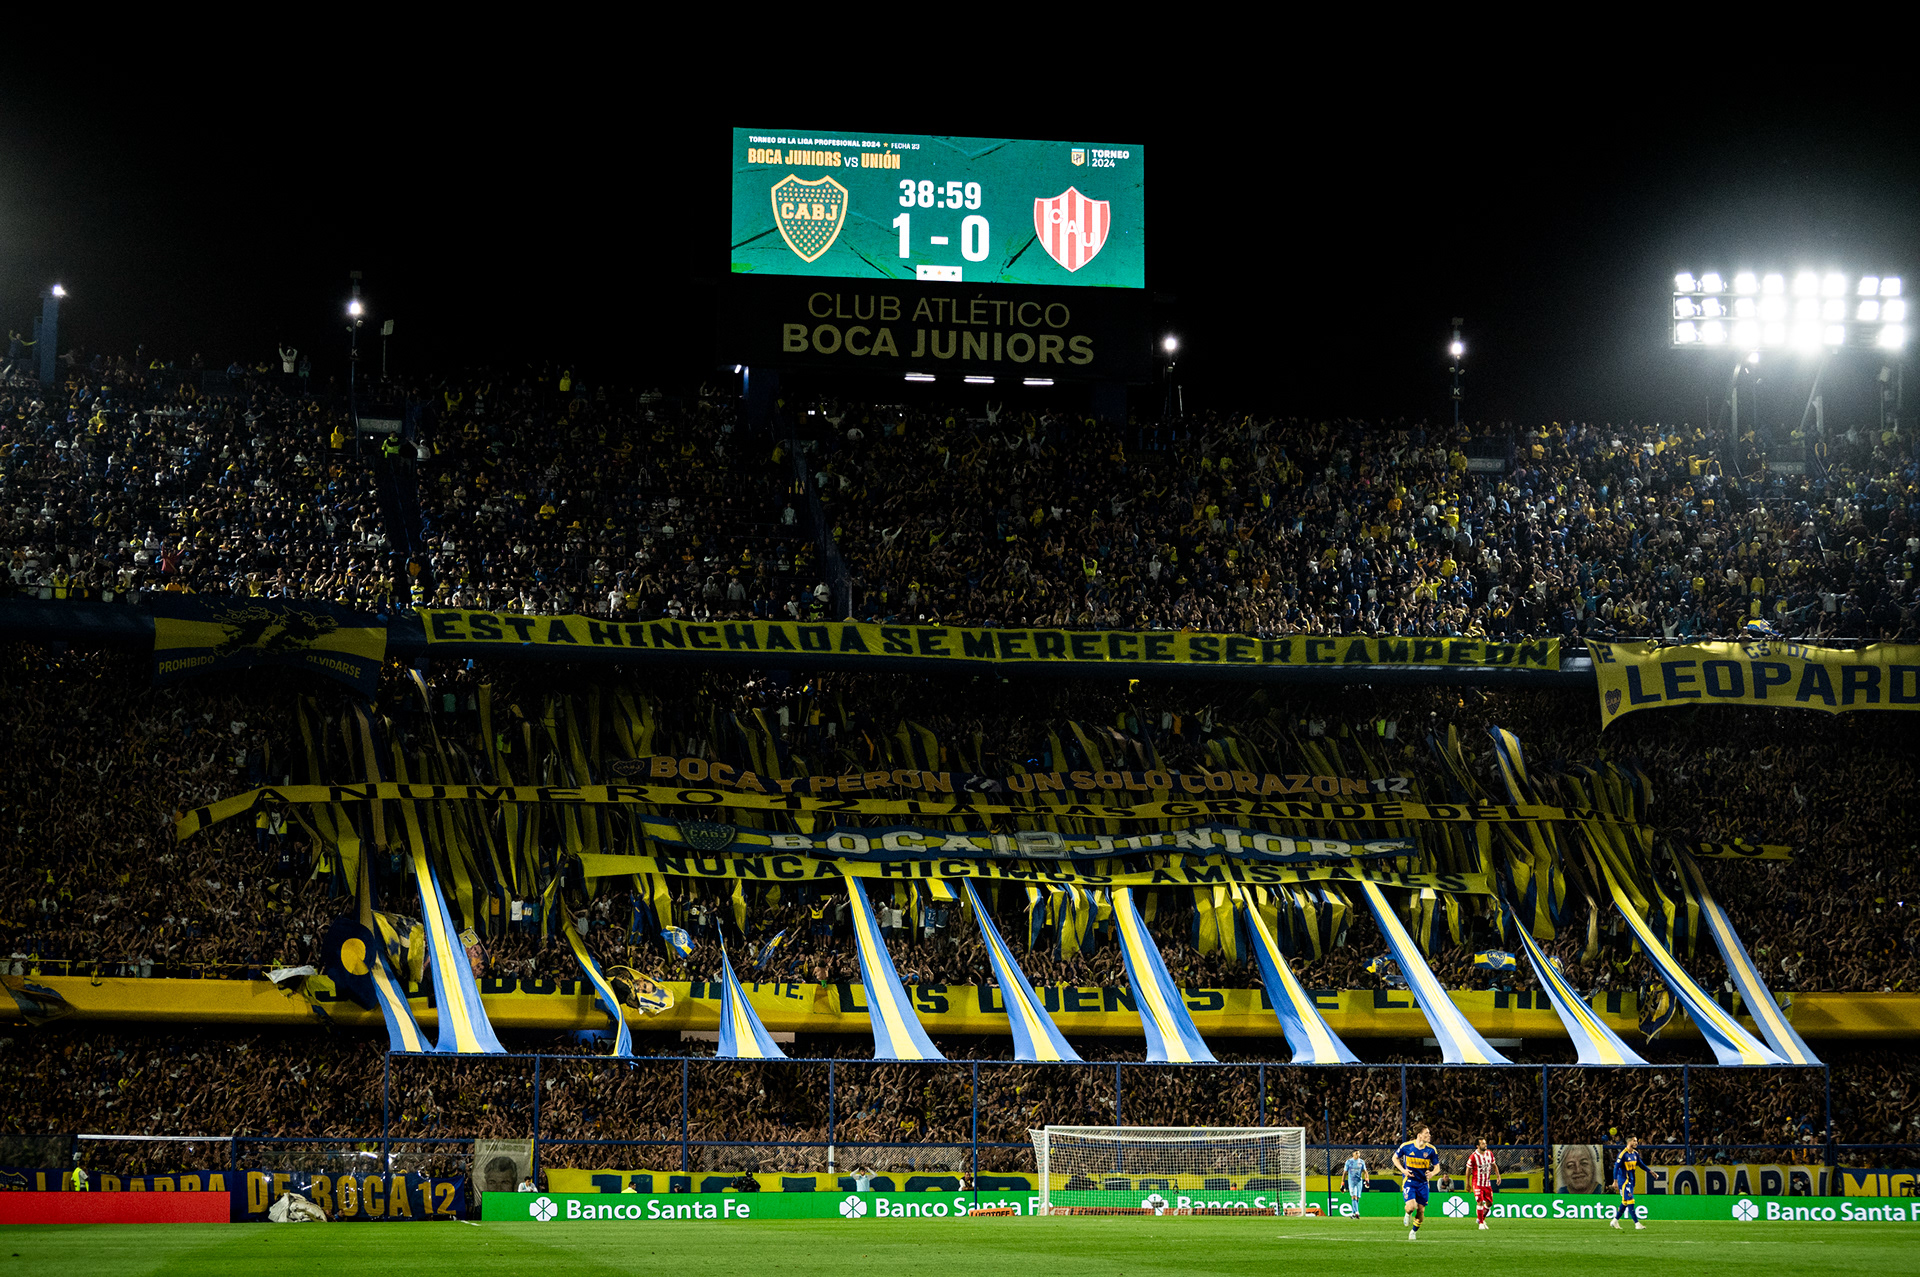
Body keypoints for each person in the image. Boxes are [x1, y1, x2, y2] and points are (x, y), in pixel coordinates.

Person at [1393, 1125, 1441, 1241]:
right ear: (1419, 1135)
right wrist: (1403, 1170)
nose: (1429, 1135)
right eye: (1426, 1133)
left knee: (1421, 1210)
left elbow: (1437, 1167)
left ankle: (1413, 1231)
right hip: (1409, 1181)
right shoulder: (1406, 1146)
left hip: (1423, 1183)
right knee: (1411, 1207)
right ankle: (1407, 1213)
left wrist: (1432, 1174)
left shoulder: (1431, 1150)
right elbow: (1394, 1158)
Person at [1609, 1136, 1645, 1231]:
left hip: (1631, 1181)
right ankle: (1637, 1224)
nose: (1636, 1142)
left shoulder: (1635, 1154)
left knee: (1625, 1202)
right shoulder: (1622, 1154)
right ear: (1629, 1142)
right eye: (1635, 1141)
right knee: (1630, 1201)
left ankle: (1615, 1220)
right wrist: (1615, 1181)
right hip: (1624, 1182)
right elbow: (1616, 1167)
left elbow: (1641, 1164)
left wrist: (1651, 1172)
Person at [1467, 1137, 1498, 1230]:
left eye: (1485, 1143)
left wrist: (1498, 1176)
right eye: (1483, 1144)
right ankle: (1481, 1223)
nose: (1485, 1145)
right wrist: (1467, 1183)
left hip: (1487, 1183)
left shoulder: (1489, 1153)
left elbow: (1494, 1165)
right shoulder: (1473, 1156)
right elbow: (1468, 1170)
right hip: (1477, 1182)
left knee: (1489, 1203)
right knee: (1479, 1201)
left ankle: (1481, 1218)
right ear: (1478, 1146)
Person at [1341, 1150, 1368, 1216]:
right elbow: (1345, 1173)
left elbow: (1365, 1171)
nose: (1358, 1154)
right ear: (1353, 1154)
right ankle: (1357, 1212)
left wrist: (1367, 1180)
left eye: (1358, 1153)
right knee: (1353, 1197)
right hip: (1352, 1182)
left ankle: (1353, 1213)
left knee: (1357, 1198)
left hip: (1359, 1182)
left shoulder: (1361, 1162)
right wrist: (1342, 1183)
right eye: (1356, 1153)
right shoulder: (1349, 1162)